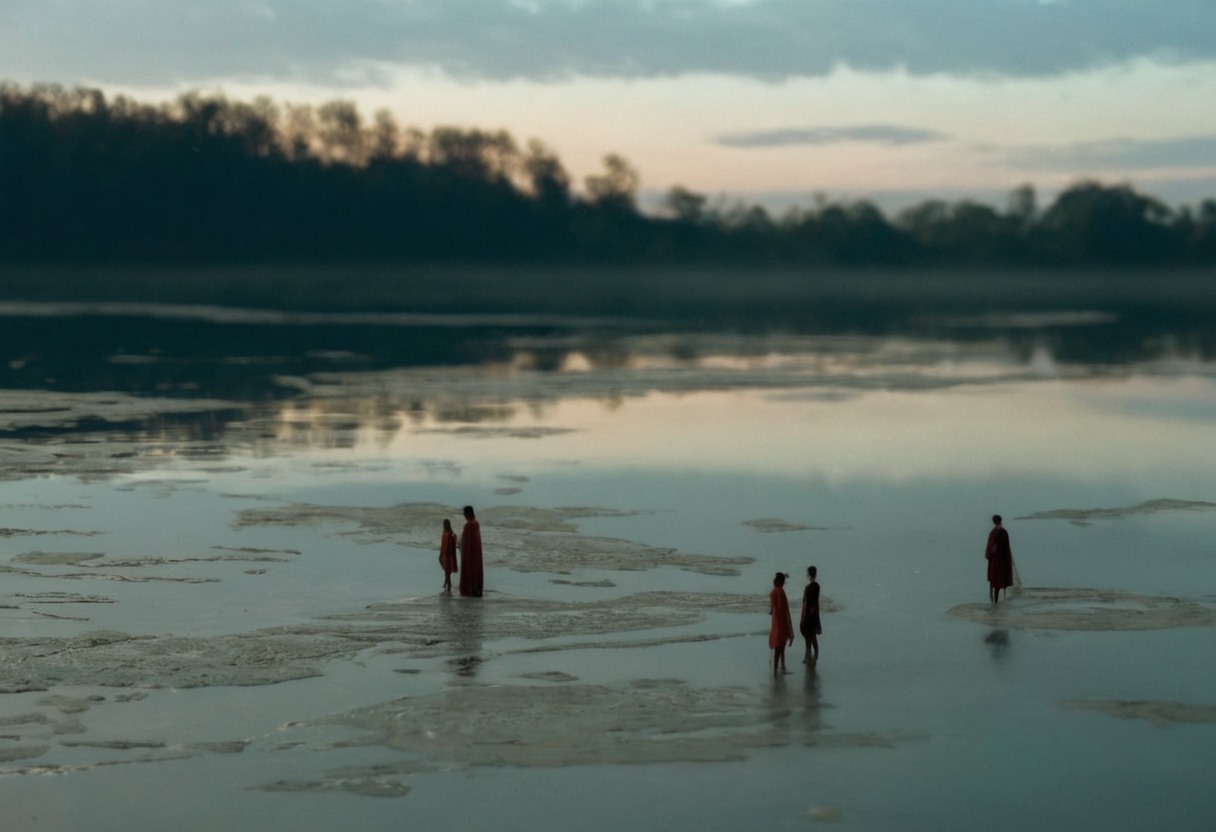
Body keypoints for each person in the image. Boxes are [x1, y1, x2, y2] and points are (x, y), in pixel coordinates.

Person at [769, 572, 794, 674]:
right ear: (782, 582)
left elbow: (773, 608)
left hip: (776, 620)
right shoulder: (780, 591)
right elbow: (781, 608)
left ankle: (781, 666)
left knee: (779, 644)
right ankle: (777, 669)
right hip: (781, 620)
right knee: (780, 645)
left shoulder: (774, 591)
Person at [985, 514, 1013, 606]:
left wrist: (990, 556)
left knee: (994, 582)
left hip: (995, 561)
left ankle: (994, 603)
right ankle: (996, 603)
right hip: (1003, 560)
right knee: (999, 581)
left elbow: (990, 549)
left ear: (993, 521)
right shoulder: (1004, 532)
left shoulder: (994, 532)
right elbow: (1007, 548)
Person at [458, 505, 484, 598]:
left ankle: (470, 589)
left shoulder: (468, 525)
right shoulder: (476, 523)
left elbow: (465, 541)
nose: (464, 515)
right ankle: (476, 588)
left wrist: (460, 547)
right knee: (475, 570)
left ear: (468, 514)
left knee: (469, 570)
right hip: (476, 553)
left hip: (469, 554)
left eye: (465, 513)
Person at [799, 565, 821, 665]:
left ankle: (811, 657)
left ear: (808, 574)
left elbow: (809, 603)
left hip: (809, 615)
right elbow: (814, 603)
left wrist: (807, 616)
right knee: (811, 637)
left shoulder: (809, 587)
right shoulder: (815, 586)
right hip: (812, 615)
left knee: (810, 637)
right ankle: (811, 656)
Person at [438, 518, 458, 592]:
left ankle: (448, 585)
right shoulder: (447, 533)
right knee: (446, 571)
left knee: (447, 571)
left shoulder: (449, 534)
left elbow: (451, 541)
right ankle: (446, 583)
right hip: (445, 554)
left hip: (447, 554)